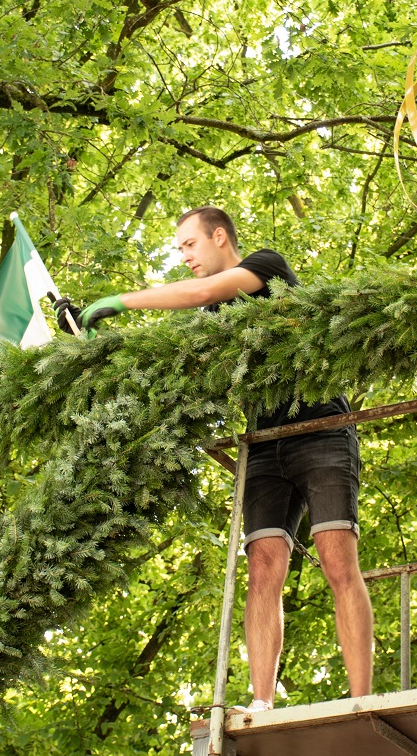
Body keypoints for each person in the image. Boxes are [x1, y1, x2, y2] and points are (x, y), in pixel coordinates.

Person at [59, 206, 374, 711]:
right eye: (179, 249)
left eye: (189, 244)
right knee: (263, 569)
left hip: (320, 430)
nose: (183, 256)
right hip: (262, 445)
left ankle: (362, 700)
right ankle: (263, 702)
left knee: (337, 560)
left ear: (219, 236)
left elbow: (203, 291)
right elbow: (168, 364)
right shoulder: (209, 323)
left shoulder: (265, 267)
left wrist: (115, 302)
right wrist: (96, 340)